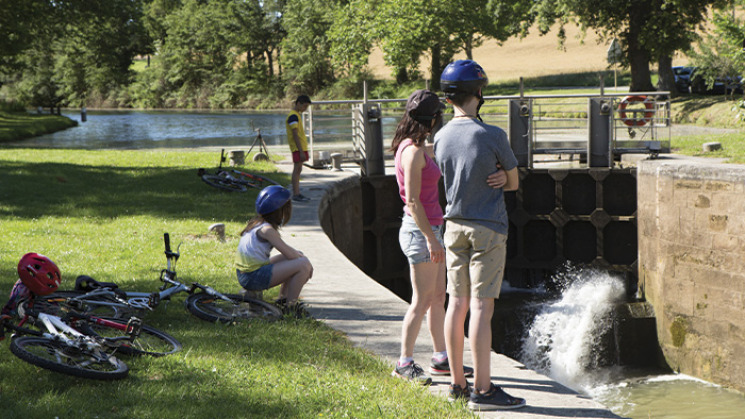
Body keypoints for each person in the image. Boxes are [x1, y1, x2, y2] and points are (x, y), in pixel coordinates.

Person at [390, 89, 507, 386]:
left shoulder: (412, 146)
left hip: (433, 230)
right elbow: (413, 202)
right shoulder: (413, 152)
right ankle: (403, 362)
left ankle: (440, 357)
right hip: (421, 232)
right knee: (422, 299)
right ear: (432, 119)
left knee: (438, 298)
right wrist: (431, 239)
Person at [434, 60, 526, 411]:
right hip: (487, 228)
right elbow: (514, 182)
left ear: (448, 98)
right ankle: (483, 392)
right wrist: (503, 178)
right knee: (481, 310)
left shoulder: (440, 136)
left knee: (455, 305)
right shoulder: (492, 135)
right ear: (480, 92)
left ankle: (458, 383)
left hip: (452, 227)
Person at [236, 185, 313, 317]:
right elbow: (289, 254)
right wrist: (307, 265)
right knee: (303, 265)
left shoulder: (257, 223)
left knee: (299, 258)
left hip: (247, 273)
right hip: (252, 277)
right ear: (280, 211)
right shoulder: (268, 230)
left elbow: (290, 254)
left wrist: (300, 256)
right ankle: (291, 308)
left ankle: (283, 299)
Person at [286, 95, 312, 202]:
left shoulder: (297, 115)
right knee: (297, 170)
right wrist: (300, 151)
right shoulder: (293, 116)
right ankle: (296, 194)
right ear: (298, 103)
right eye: (304, 106)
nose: (305, 108)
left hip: (301, 147)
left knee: (299, 169)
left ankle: (297, 193)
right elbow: (295, 134)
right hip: (297, 148)